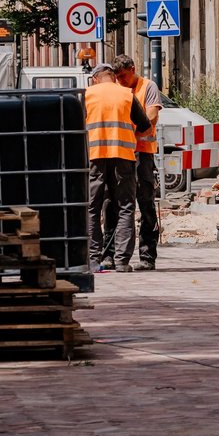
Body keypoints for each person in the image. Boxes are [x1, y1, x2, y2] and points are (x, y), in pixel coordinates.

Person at [85, 62, 151, 274]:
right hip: (123, 157)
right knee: (125, 207)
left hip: (95, 157)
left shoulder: (87, 95)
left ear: (95, 78)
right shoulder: (126, 95)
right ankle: (122, 261)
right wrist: (131, 139)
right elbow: (145, 125)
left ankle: (94, 260)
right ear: (113, 77)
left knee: (92, 208)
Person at [100, 54, 164, 271]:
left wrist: (130, 133)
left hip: (142, 154)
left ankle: (147, 256)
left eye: (124, 76)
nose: (121, 81)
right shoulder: (118, 90)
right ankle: (108, 254)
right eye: (117, 78)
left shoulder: (148, 87)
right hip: (119, 153)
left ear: (133, 69)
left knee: (145, 202)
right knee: (112, 203)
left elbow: (152, 116)